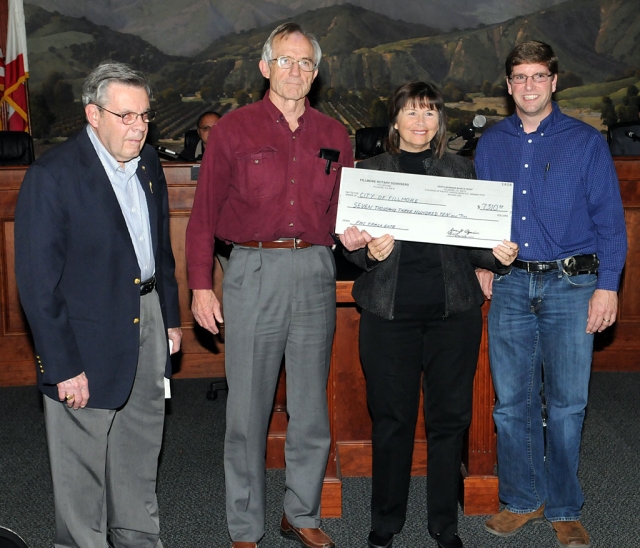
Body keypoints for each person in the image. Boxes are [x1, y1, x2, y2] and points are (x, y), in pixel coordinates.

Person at [185, 22, 353, 548]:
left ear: (316, 72)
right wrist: (200, 286)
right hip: (251, 271)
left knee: (309, 407)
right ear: (265, 67)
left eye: (305, 63)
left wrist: (360, 234)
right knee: (248, 410)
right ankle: (244, 526)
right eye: (285, 60)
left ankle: (301, 514)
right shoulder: (234, 130)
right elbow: (203, 217)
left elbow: (346, 213)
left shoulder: (335, 135)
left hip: (315, 269)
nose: (295, 71)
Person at [340, 81, 519, 548]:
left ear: (440, 121)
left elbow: (478, 246)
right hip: (388, 315)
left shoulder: (462, 170)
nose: (421, 122)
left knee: (449, 421)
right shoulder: (368, 172)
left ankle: (444, 524)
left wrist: (498, 254)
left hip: (452, 315)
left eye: (430, 113)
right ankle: (385, 522)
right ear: (394, 119)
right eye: (412, 112)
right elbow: (348, 248)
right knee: (392, 420)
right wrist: (366, 251)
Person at [14, 61, 182, 548]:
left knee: (140, 446)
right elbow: (37, 285)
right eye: (125, 116)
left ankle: (137, 540)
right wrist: (63, 366)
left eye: (145, 117)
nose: (138, 128)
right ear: (93, 114)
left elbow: (160, 248)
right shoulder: (52, 176)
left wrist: (169, 317)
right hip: (84, 337)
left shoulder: (148, 162)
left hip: (148, 318)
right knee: (81, 466)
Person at [474, 41, 627, 548]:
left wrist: (608, 288)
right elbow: (480, 218)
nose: (529, 86)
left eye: (539, 76)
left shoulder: (585, 142)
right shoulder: (491, 143)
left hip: (572, 286)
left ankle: (563, 505)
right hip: (512, 285)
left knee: (566, 405)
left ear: (555, 82)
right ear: (508, 84)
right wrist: (482, 264)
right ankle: (523, 499)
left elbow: (611, 223)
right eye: (519, 77)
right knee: (511, 403)